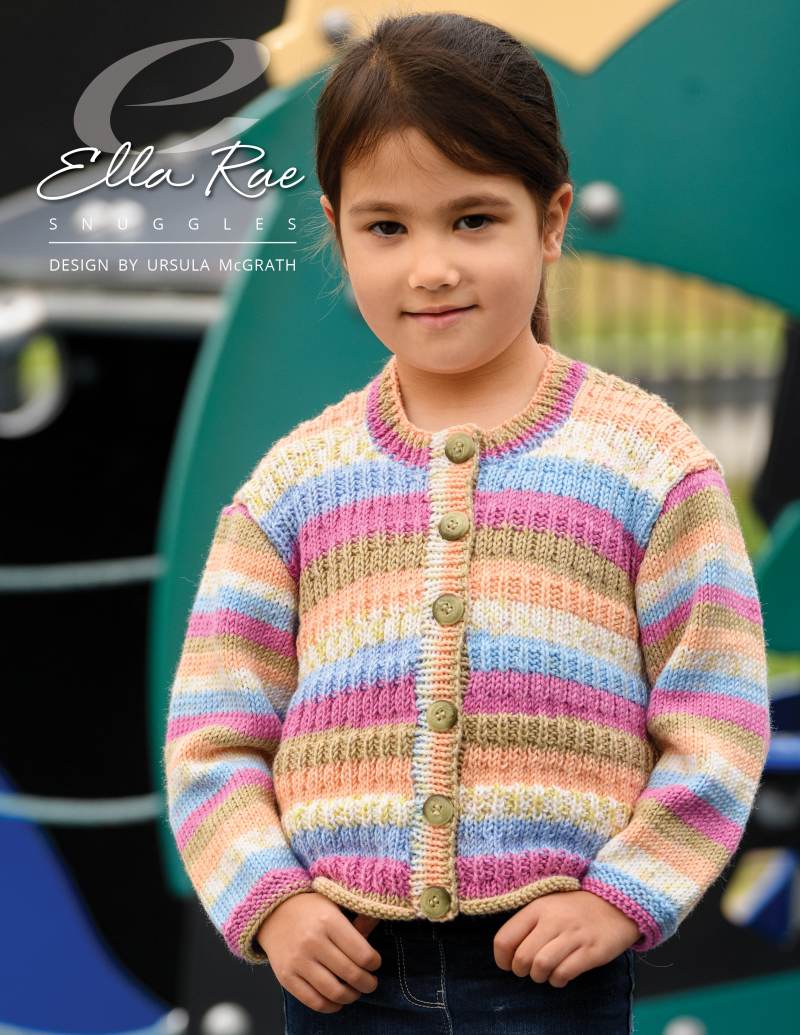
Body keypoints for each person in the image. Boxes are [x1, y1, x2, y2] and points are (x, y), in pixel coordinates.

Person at [162, 12, 772, 1034]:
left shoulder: (649, 464)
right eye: (386, 228)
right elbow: (212, 735)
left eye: (473, 220)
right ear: (336, 228)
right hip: (341, 974)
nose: (430, 267)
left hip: (551, 975)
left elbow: (717, 713)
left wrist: (625, 892)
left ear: (551, 219)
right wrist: (271, 900)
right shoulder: (292, 486)